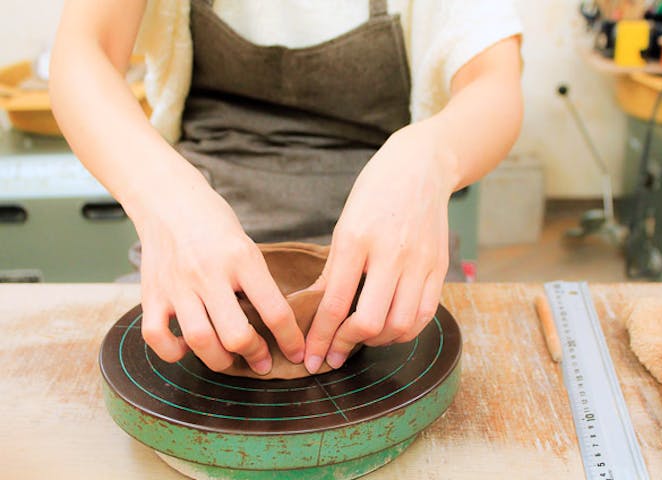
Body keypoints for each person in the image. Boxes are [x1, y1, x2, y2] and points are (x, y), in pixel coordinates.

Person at [50, 0, 523, 377]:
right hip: (195, 233)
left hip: (387, 231)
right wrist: (159, 194)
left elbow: (495, 81)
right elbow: (83, 53)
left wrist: (430, 156)